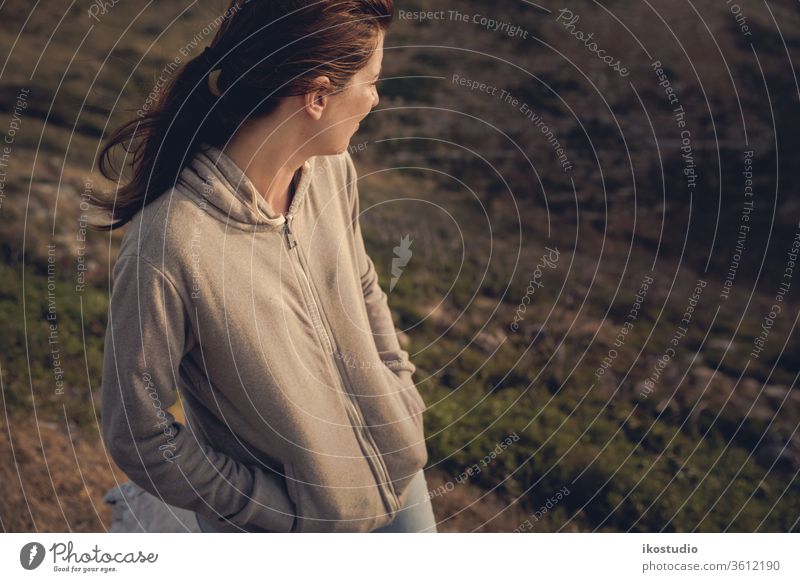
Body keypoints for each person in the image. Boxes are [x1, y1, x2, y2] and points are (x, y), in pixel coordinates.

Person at [91, 0, 436, 533]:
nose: (376, 98)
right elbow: (137, 430)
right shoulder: (169, 244)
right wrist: (264, 505)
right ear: (319, 96)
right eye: (371, 81)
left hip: (398, 475)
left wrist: (398, 393)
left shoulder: (330, 171)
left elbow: (363, 283)